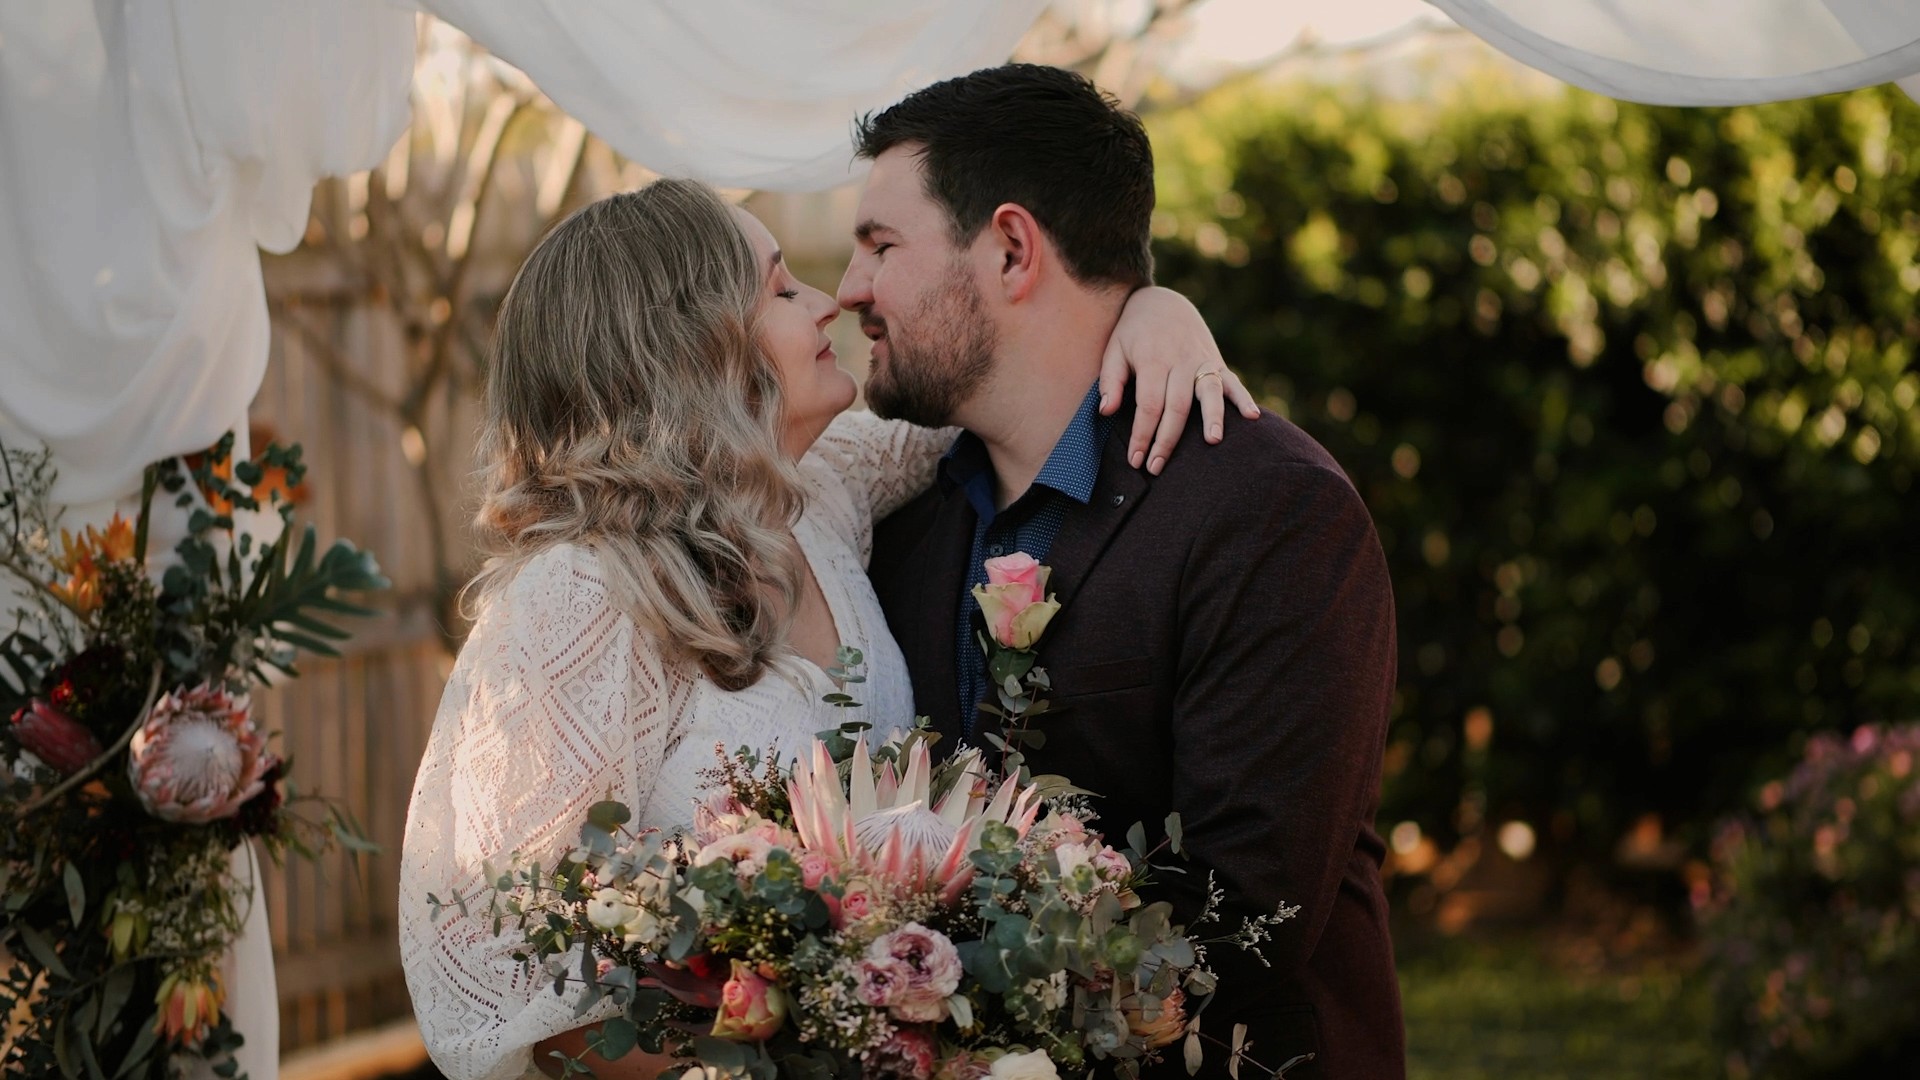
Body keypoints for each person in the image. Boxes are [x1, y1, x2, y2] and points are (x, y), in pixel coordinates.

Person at [396, 178, 1247, 1080]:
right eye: (780, 288)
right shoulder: (581, 595)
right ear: (691, 347)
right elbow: (510, 976)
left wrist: (1150, 310)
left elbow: (1005, 385)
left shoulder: (816, 495)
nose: (827, 298)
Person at [852, 66, 1405, 1079]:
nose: (851, 288)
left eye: (881, 246)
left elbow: (1247, 910)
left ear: (1012, 249)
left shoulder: (1268, 511)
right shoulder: (901, 523)